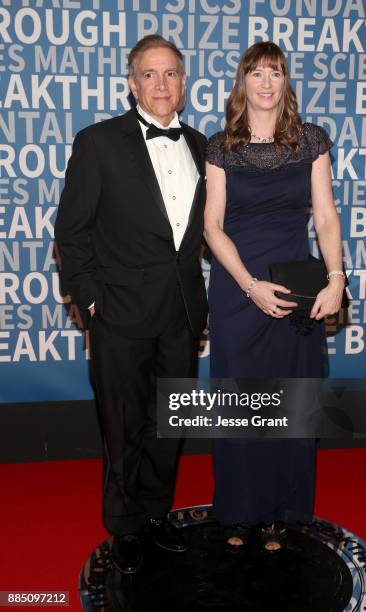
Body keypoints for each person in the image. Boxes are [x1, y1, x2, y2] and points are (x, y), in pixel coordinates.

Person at [55, 35, 208, 573]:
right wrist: (91, 304)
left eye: (171, 74)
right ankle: (124, 528)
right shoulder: (97, 142)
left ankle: (157, 514)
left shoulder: (200, 145)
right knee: (122, 425)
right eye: (150, 74)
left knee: (169, 422)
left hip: (183, 316)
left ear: (184, 83)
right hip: (118, 313)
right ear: (131, 82)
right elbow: (71, 234)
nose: (161, 84)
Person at [204, 41, 345, 551]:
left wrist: (335, 279)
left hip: (294, 286)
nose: (266, 83)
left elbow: (325, 216)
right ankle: (239, 510)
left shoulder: (311, 141)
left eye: (276, 74)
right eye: (256, 73)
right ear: (242, 83)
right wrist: (247, 284)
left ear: (286, 83)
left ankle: (280, 512)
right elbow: (212, 226)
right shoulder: (221, 145)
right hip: (238, 288)